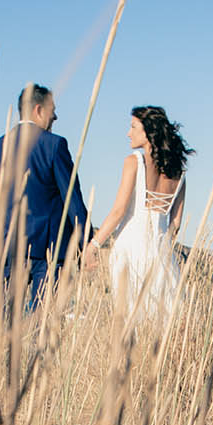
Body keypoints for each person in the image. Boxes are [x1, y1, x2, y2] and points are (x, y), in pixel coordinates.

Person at [0, 84, 89, 306]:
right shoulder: (55, 145)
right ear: (38, 110)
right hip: (49, 252)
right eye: (52, 110)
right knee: (43, 326)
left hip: (7, 252)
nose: (55, 117)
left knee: (7, 325)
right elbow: (72, 199)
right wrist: (85, 244)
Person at [86, 105, 191, 318]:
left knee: (130, 318)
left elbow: (118, 210)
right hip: (161, 253)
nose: (128, 132)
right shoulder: (179, 174)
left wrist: (94, 244)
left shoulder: (134, 161)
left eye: (133, 126)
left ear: (148, 131)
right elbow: (176, 223)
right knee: (161, 318)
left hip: (130, 249)